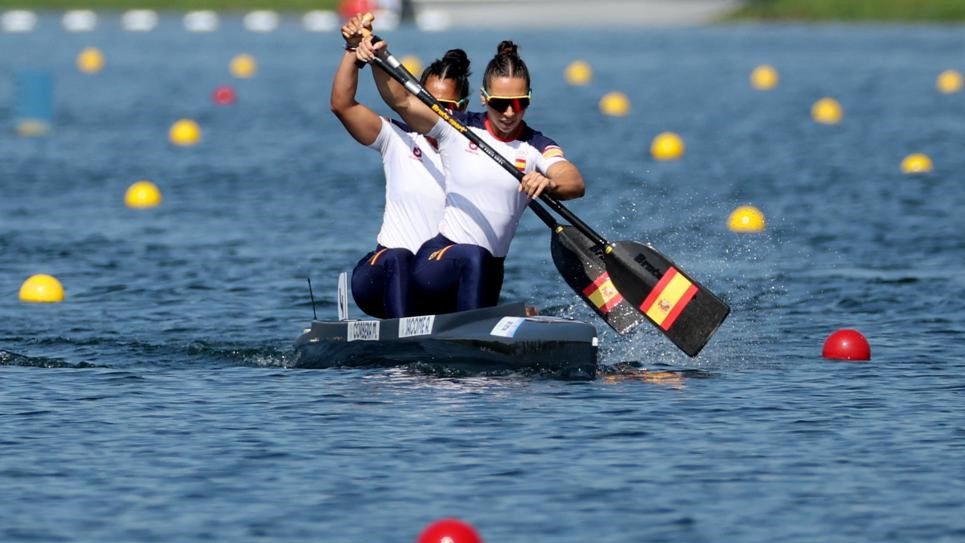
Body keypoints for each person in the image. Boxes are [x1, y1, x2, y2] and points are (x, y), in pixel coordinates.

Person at [356, 37, 586, 312]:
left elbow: (573, 181)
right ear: (483, 98)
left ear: (529, 99)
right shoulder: (455, 127)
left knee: (481, 262)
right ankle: (470, 333)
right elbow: (402, 101)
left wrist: (549, 182)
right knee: (474, 256)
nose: (510, 112)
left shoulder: (536, 145)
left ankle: (479, 330)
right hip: (435, 264)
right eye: (500, 103)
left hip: (489, 271)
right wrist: (377, 57)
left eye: (519, 102)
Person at [332, 14, 471, 318]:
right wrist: (353, 52)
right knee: (400, 259)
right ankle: (404, 337)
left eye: (446, 108)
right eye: (429, 103)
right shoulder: (396, 138)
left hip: (435, 280)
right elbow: (342, 105)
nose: (437, 114)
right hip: (382, 276)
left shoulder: (477, 152)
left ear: (463, 110)